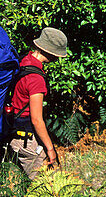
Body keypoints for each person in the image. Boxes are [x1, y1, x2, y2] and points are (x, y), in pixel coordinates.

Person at [5, 27, 67, 180]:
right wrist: (51, 149)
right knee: (46, 187)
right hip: (26, 140)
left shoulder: (23, 61)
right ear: (51, 52)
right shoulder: (36, 79)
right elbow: (37, 120)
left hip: (13, 133)